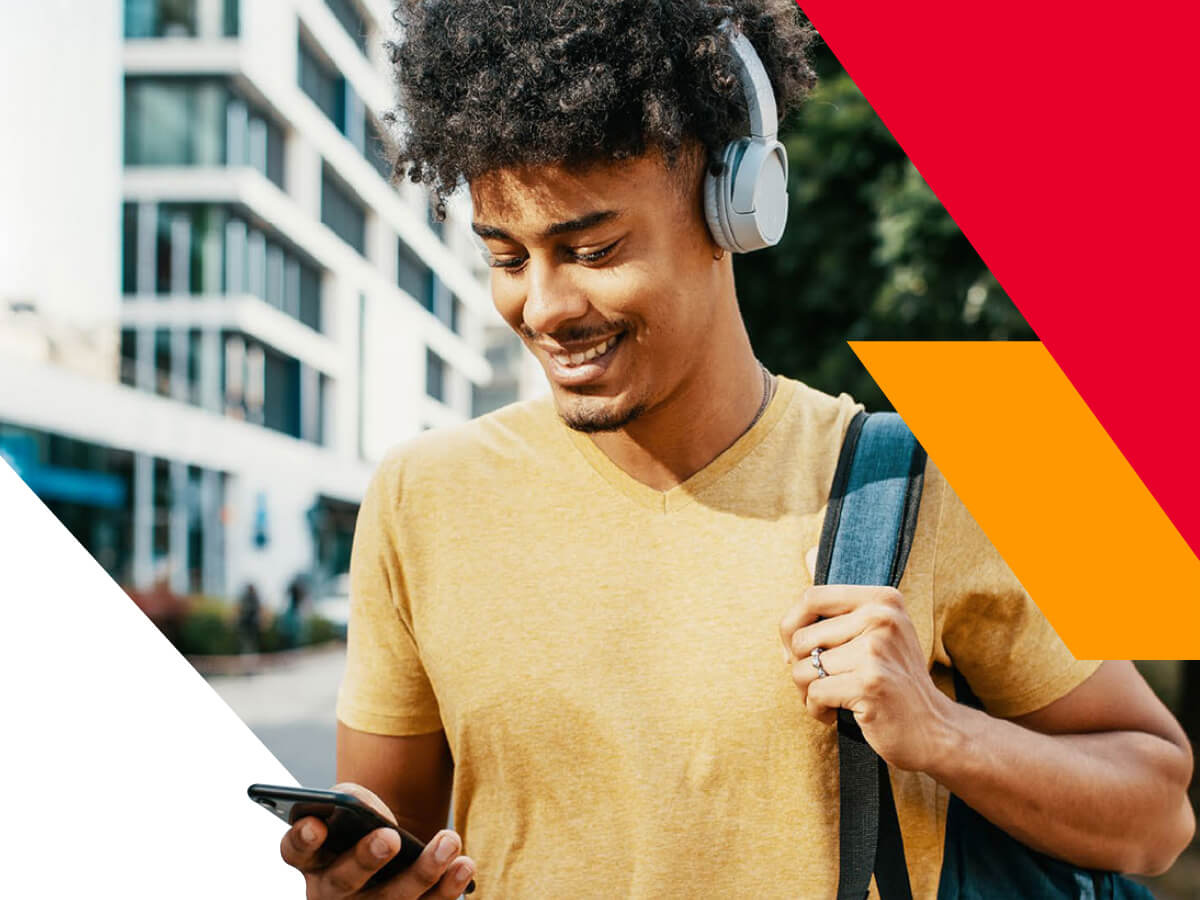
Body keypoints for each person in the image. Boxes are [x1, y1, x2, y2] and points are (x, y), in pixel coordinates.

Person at [279, 3, 1195, 897]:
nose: (546, 308)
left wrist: (943, 733)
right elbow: (393, 841)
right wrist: (353, 878)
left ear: (735, 208)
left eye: (592, 249)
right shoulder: (422, 497)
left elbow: (1157, 816)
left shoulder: (918, 479)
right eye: (508, 259)